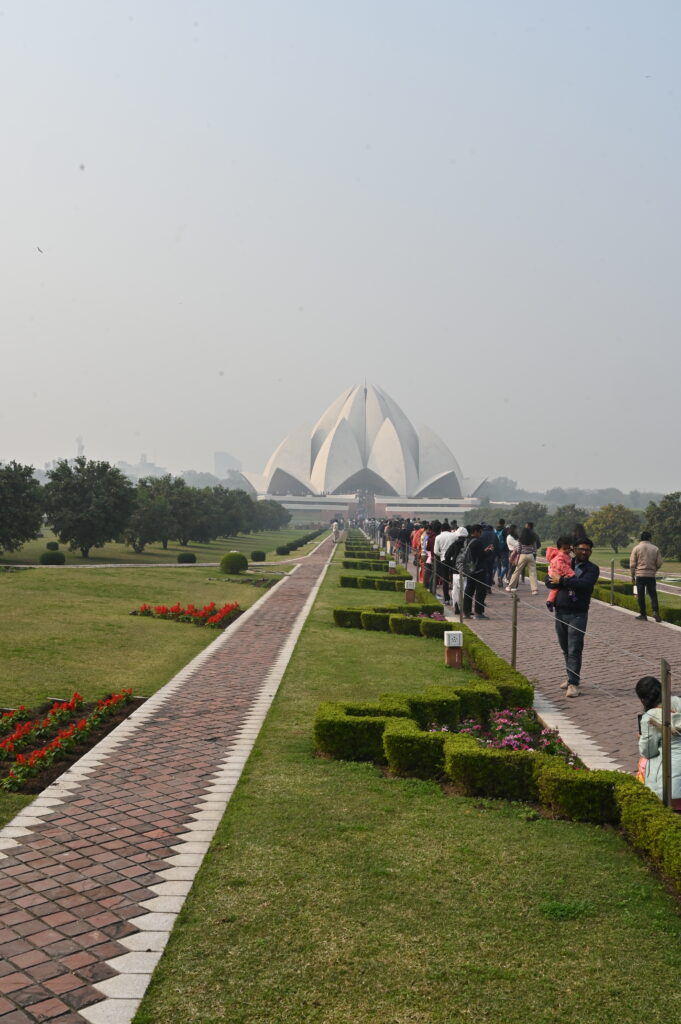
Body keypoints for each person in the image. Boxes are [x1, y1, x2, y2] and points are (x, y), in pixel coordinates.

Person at [546, 537, 599, 698]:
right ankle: (571, 676)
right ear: (573, 549)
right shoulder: (565, 561)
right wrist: (563, 581)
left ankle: (574, 684)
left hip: (578, 613)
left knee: (574, 648)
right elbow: (549, 581)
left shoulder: (592, 569)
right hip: (560, 610)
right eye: (581, 549)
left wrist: (562, 580)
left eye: (587, 550)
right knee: (565, 648)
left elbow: (584, 585)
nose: (584, 552)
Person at [636, 676, 681, 799]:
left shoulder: (650, 717)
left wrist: (641, 738)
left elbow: (648, 751)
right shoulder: (678, 702)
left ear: (643, 699)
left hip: (668, 782)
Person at [630, 531, 663, 622]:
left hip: (640, 575)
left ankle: (643, 614)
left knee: (640, 595)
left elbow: (632, 564)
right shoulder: (655, 548)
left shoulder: (636, 548)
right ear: (650, 538)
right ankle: (655, 612)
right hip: (651, 575)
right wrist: (654, 569)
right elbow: (659, 563)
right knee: (653, 595)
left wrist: (633, 576)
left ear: (641, 538)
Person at [462, 524, 492, 619]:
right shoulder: (477, 542)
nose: (481, 533)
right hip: (478, 570)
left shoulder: (467, 540)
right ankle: (479, 612)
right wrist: (489, 551)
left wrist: (484, 551)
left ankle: (466, 611)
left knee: (469, 590)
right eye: (480, 531)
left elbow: (475, 554)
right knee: (480, 591)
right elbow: (482, 556)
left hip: (469, 569)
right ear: (475, 531)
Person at [505, 525, 539, 595]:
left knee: (516, 572)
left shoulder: (520, 539)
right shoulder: (533, 539)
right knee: (533, 573)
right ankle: (534, 590)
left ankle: (509, 587)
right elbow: (535, 549)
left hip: (522, 556)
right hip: (531, 556)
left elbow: (518, 549)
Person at [545, 536, 575, 611]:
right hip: (558, 574)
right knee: (569, 583)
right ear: (559, 549)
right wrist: (571, 573)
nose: (567, 550)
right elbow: (563, 567)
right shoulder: (560, 556)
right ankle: (572, 596)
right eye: (564, 549)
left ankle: (550, 601)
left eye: (568, 548)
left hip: (557, 574)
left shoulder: (565, 555)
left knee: (556, 589)